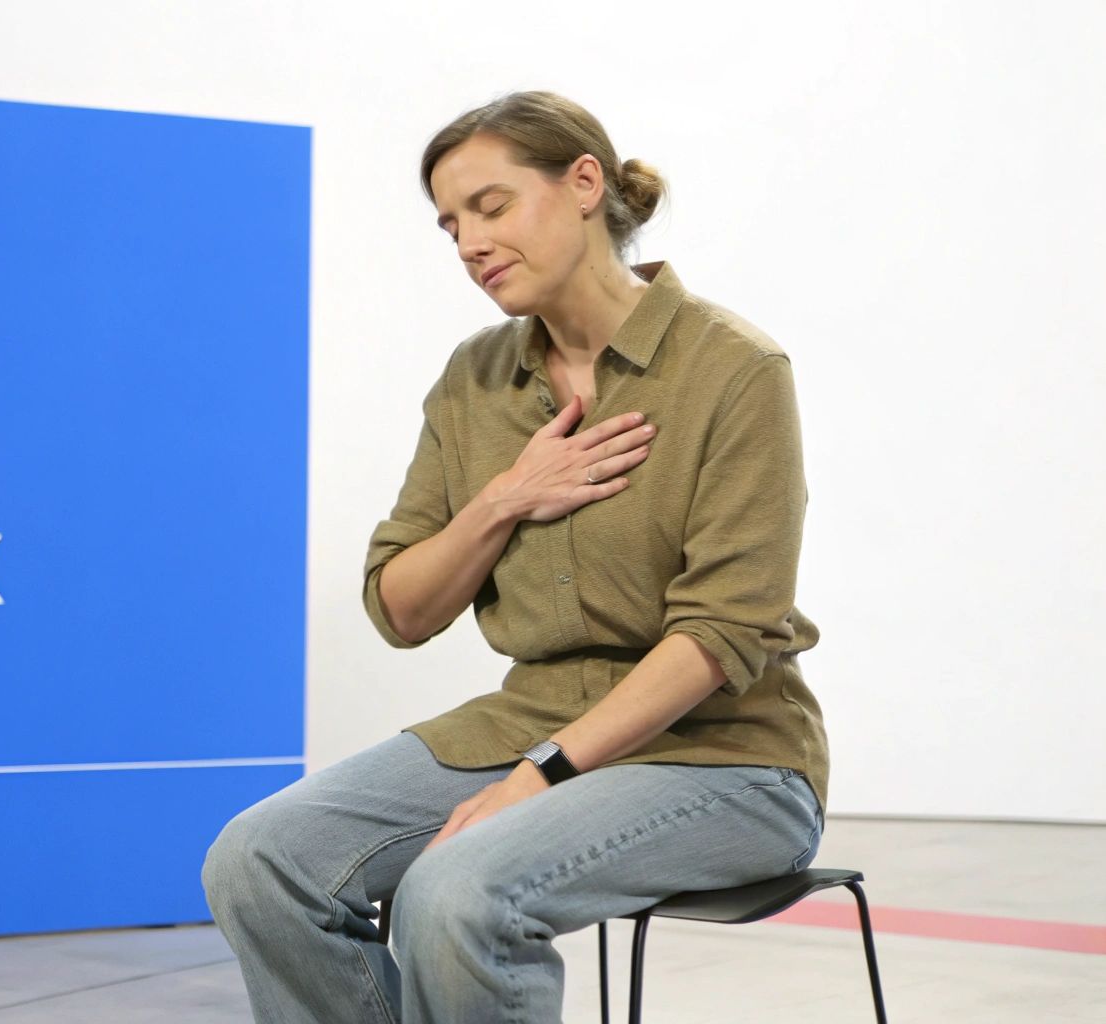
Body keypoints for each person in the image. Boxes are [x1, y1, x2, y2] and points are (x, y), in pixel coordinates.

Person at [201, 90, 830, 1024]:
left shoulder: (734, 368)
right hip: (527, 716)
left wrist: (538, 777)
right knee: (259, 860)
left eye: (490, 208)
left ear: (584, 184)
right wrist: (505, 497)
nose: (468, 245)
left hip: (725, 758)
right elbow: (401, 608)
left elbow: (723, 631)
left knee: (456, 893)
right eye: (449, 225)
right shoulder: (476, 377)